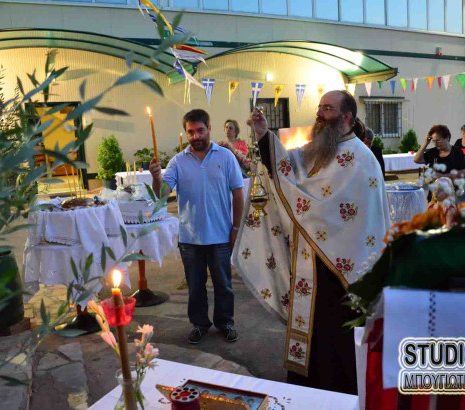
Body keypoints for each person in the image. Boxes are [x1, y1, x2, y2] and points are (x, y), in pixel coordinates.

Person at [233, 90, 390, 395]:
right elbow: (287, 170)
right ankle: (306, 392)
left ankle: (340, 396)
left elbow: (350, 216)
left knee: (337, 341)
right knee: (312, 336)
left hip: (343, 276)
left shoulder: (362, 160)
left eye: (327, 109)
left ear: (347, 117)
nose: (319, 114)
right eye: (319, 108)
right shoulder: (317, 150)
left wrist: (313, 220)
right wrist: (264, 136)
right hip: (308, 263)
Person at [149, 109, 244, 344]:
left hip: (221, 235)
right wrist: (156, 178)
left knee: (224, 285)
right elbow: (162, 196)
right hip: (190, 238)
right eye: (190, 132)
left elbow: (238, 194)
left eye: (200, 130)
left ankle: (225, 323)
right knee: (195, 286)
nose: (195, 136)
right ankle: (199, 325)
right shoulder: (178, 162)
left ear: (209, 128)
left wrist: (235, 229)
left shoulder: (226, 157)